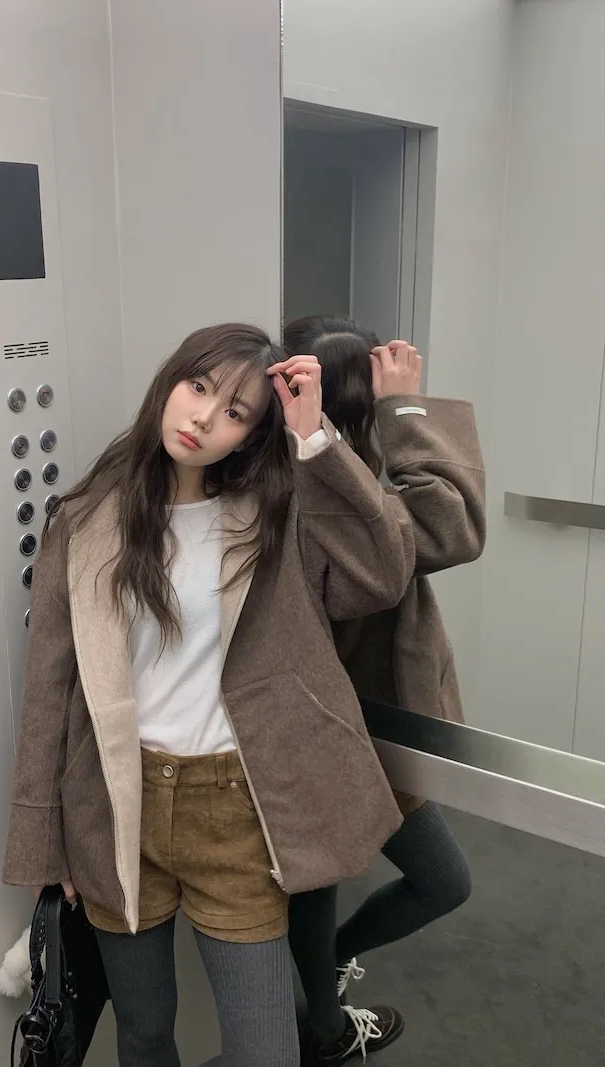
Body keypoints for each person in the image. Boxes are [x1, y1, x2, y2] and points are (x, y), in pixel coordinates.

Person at [2, 322, 418, 1067]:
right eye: (197, 387)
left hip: (233, 810)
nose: (201, 417)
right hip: (117, 808)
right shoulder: (86, 520)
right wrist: (50, 836)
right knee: (144, 1031)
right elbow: (49, 691)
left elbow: (384, 571)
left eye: (234, 412)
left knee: (267, 1050)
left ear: (251, 435)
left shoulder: (277, 516)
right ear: (169, 381)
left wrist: (315, 437)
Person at [283, 314, 485, 1066]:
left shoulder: (339, 475)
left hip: (362, 719)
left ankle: (321, 989)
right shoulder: (331, 496)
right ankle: (324, 1022)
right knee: (345, 879)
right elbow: (451, 529)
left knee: (347, 880)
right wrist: (406, 409)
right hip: (340, 723)